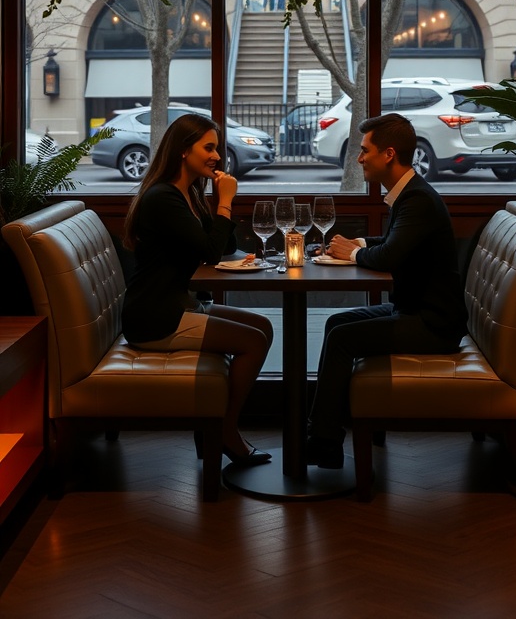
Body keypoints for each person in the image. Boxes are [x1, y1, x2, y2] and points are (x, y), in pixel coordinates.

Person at [307, 112, 468, 469]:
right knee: (336, 324)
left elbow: (390, 256)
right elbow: (394, 244)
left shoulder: (417, 200)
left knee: (340, 340)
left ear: (389, 154)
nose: (360, 158)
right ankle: (325, 435)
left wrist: (356, 253)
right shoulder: (411, 193)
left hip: (433, 324)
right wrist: (357, 244)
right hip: (414, 311)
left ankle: (324, 442)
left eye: (365, 150)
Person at [122, 112, 274, 467]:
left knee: (263, 328)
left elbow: (220, 246)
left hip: (178, 304)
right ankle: (225, 429)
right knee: (252, 342)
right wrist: (226, 202)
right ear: (182, 151)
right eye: (208, 148)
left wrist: (217, 202)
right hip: (156, 316)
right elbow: (209, 251)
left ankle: (221, 425)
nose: (217, 156)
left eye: (217, 149)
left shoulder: (186, 192)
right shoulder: (163, 198)